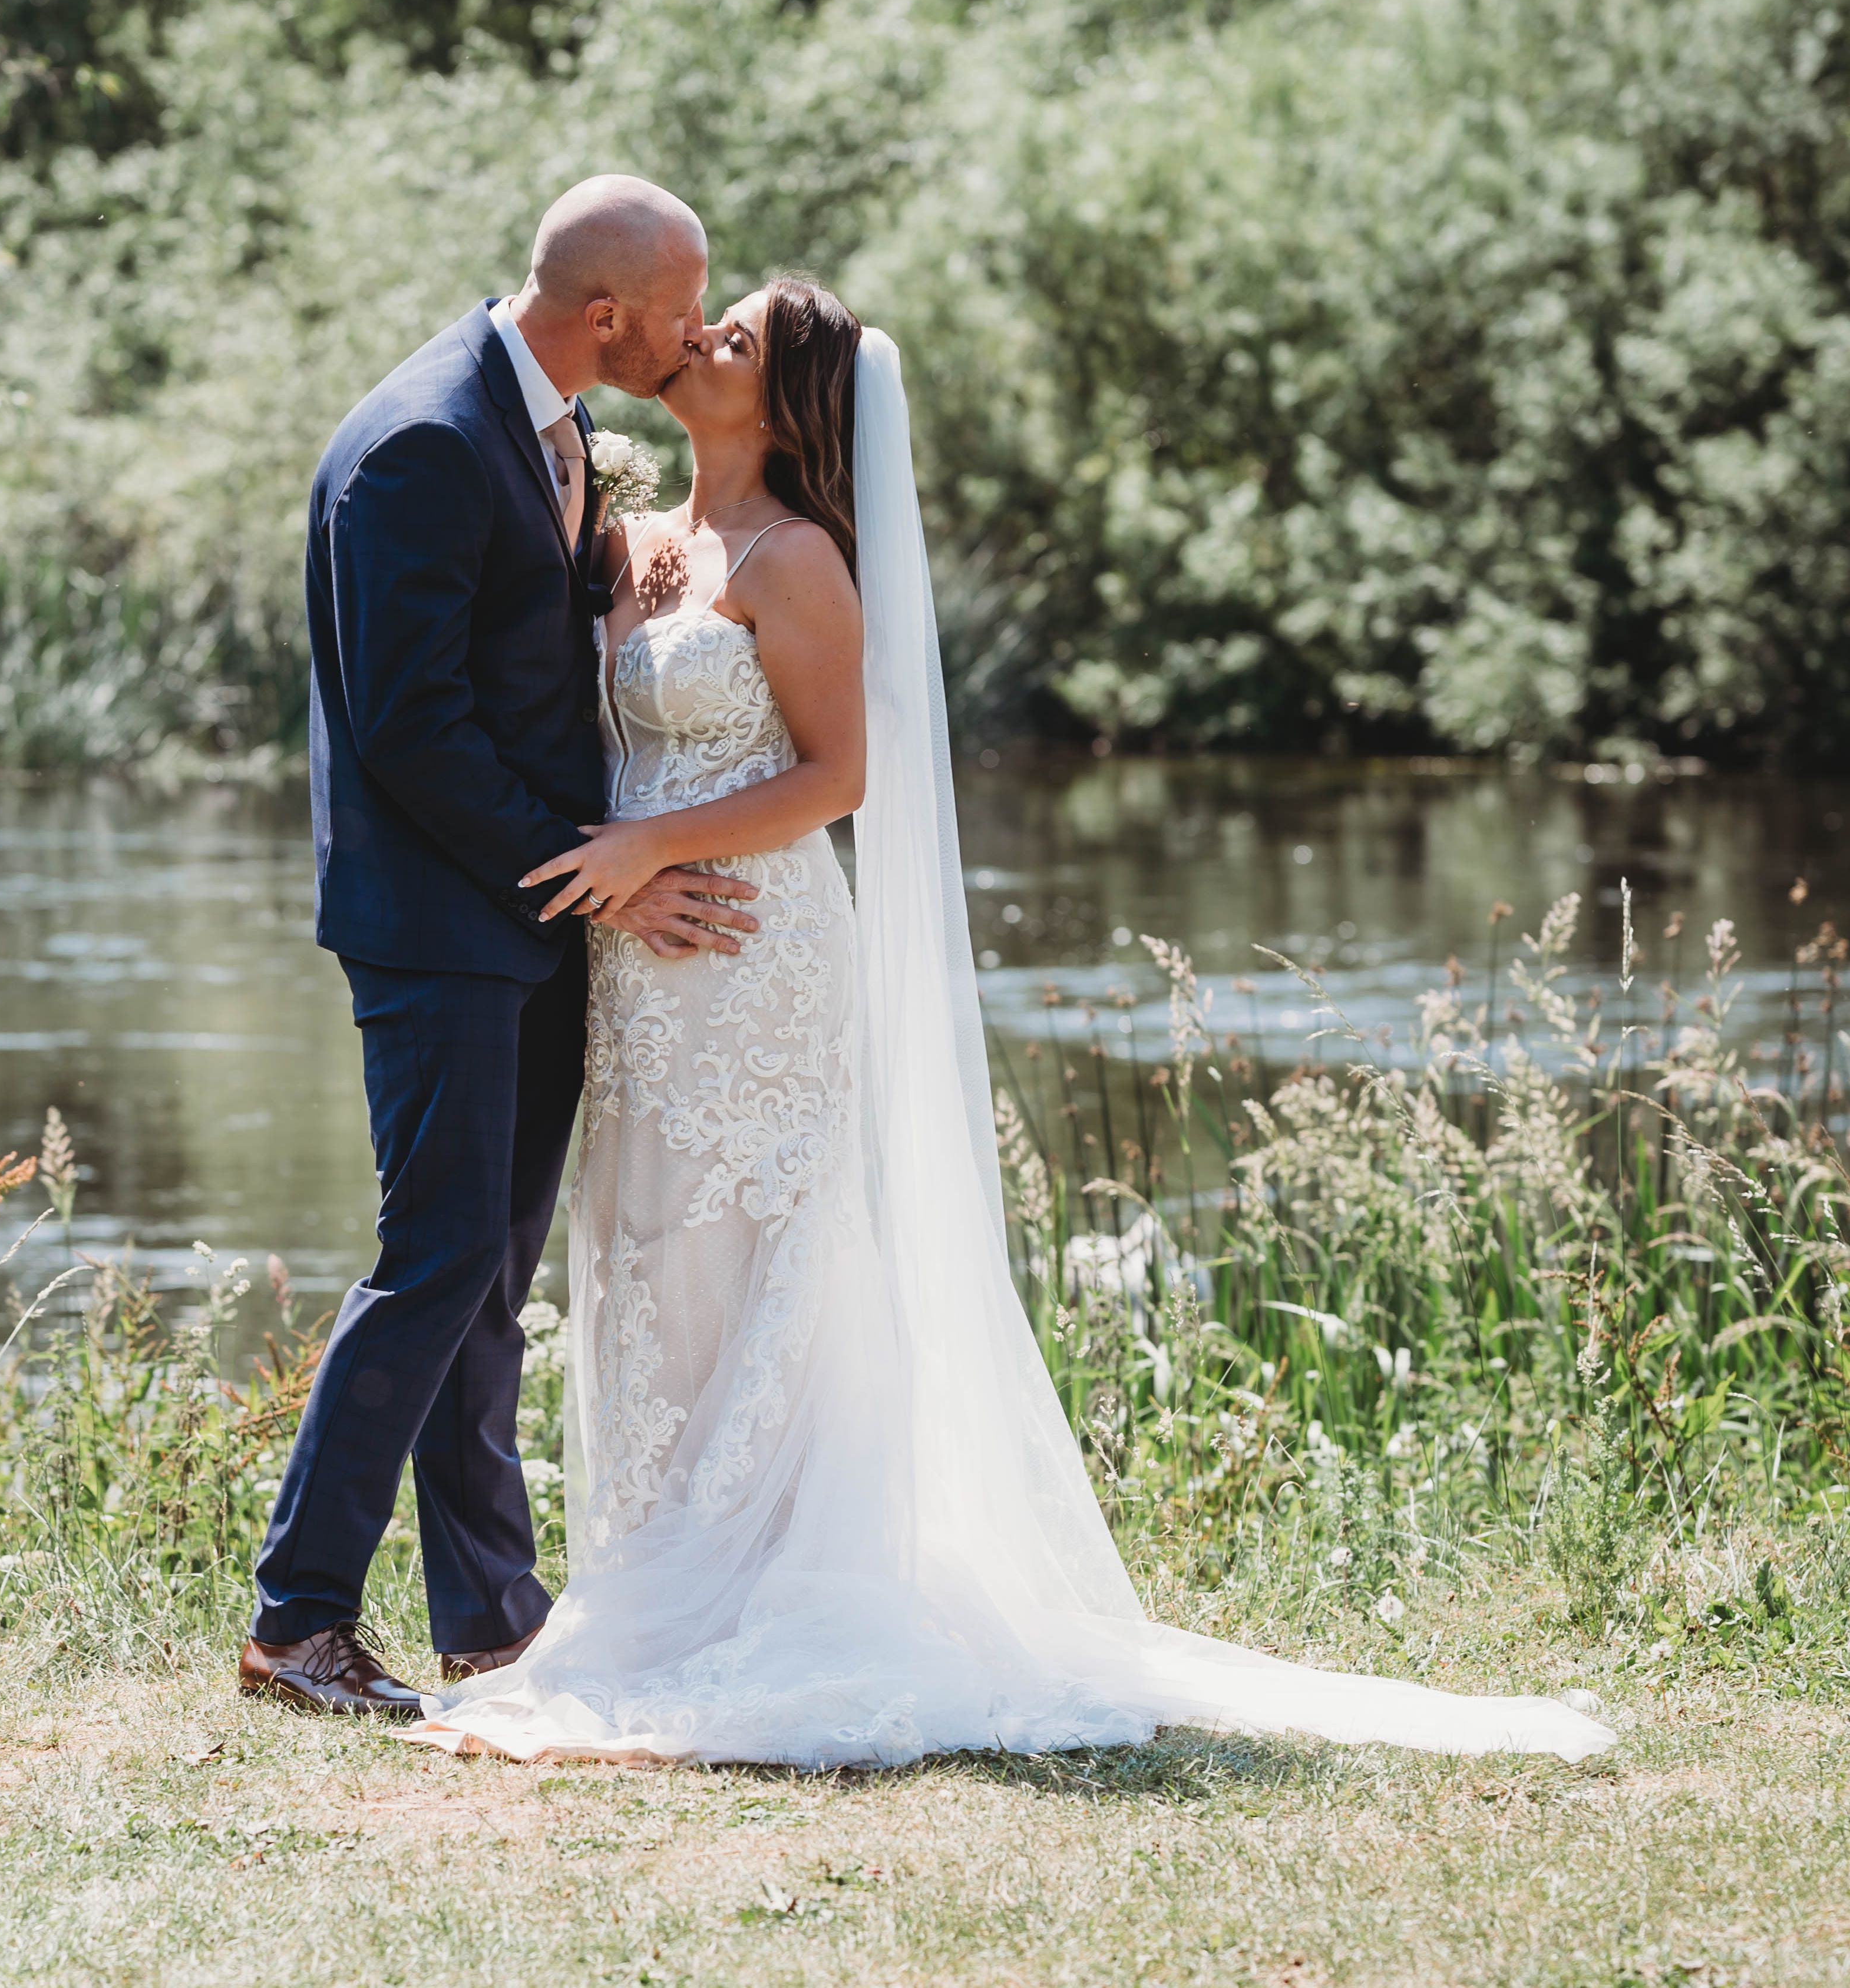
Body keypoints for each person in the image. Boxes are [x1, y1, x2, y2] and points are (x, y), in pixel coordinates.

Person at [397, 274, 1617, 1766]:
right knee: (648, 1252)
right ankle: (652, 1579)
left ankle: (766, 1591)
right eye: (710, 326)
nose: (702, 341)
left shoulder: (800, 565)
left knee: (761, 1249)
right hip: (643, 969)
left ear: (789, 407)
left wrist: (655, 850)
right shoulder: (636, 542)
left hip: (761, 955)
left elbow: (838, 778)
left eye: (737, 341)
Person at [239, 176, 762, 1713]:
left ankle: (489, 1617)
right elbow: (414, 733)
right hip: (442, 930)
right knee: (437, 1258)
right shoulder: (420, 439)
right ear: (611, 314)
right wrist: (601, 876)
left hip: (523, 923)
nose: (697, 326)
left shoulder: (552, 430)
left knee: (488, 1273)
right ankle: (295, 1623)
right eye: (684, 301)